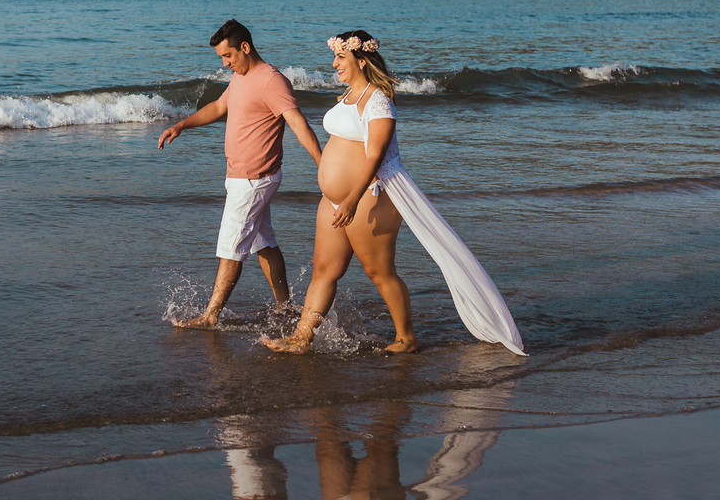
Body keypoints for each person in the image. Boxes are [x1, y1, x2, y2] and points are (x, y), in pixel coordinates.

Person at [261, 30, 526, 355]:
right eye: (335, 58)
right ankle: (302, 339)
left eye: (341, 58)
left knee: (379, 272)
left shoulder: (378, 101)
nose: (334, 64)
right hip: (334, 200)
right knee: (324, 270)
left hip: (369, 197)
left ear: (361, 60)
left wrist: (352, 199)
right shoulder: (347, 95)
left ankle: (406, 338)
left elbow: (375, 155)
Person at [159, 19, 322, 328]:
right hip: (241, 177)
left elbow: (299, 124)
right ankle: (285, 307)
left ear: (245, 47)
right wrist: (182, 125)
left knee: (231, 247)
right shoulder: (240, 77)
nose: (225, 63)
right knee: (264, 243)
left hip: (254, 180)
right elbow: (219, 107)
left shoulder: (271, 81)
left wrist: (322, 166)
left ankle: (210, 316)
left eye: (228, 56)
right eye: (222, 57)